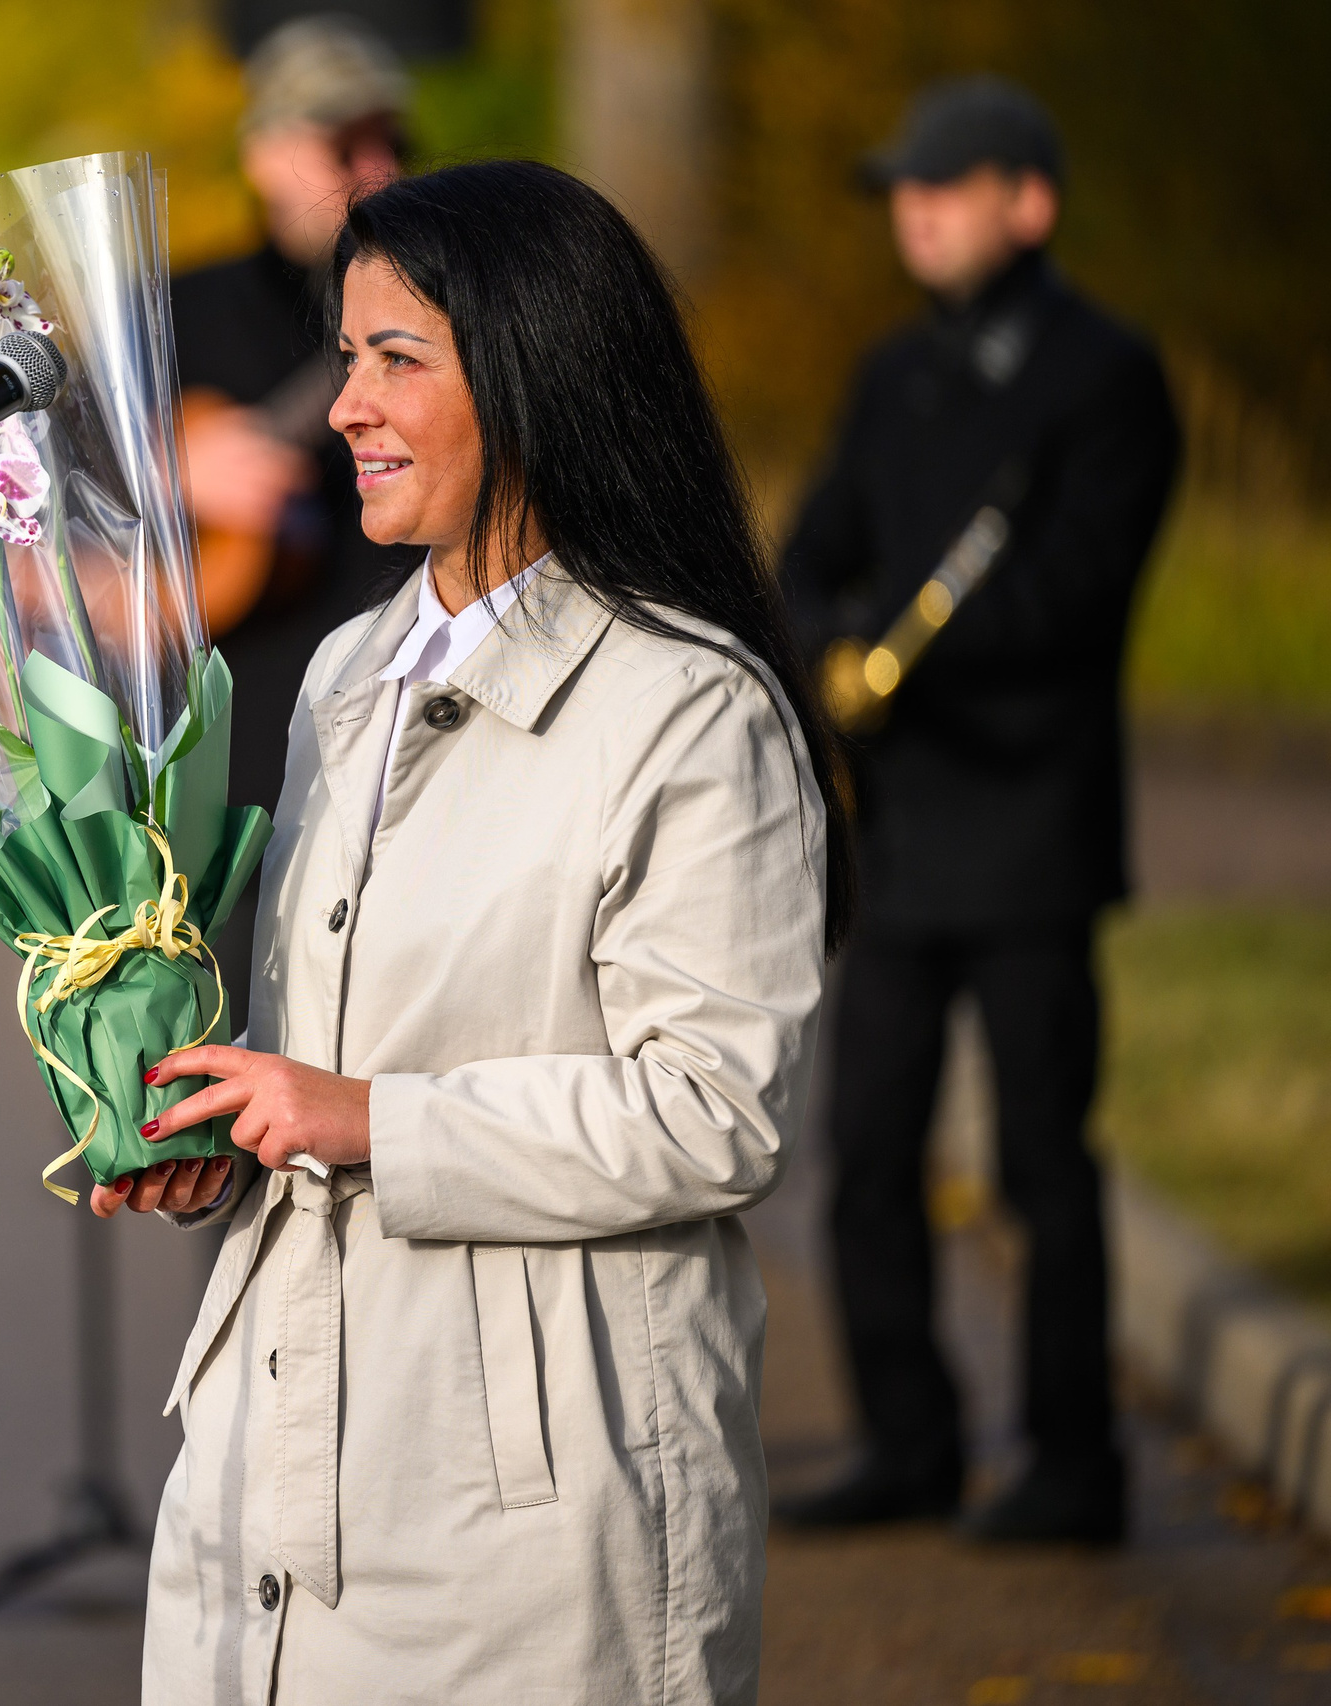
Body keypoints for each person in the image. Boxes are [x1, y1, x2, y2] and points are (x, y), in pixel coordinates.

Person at [100, 161, 848, 1704]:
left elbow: (714, 1110)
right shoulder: (342, 674)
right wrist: (235, 1123)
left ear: (533, 371)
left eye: (398, 359)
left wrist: (367, 1119)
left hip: (536, 1501)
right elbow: (337, 1048)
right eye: (347, 355)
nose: (347, 405)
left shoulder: (690, 708)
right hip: (281, 1450)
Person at [772, 78, 1180, 1547]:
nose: (916, 211)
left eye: (946, 187)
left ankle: (1077, 1465)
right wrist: (828, 645)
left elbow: (1075, 596)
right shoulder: (894, 374)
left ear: (1031, 202)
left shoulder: (1107, 377)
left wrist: (897, 654)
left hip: (1030, 832)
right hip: (897, 834)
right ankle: (910, 1442)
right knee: (867, 1154)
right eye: (905, 190)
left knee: (1036, 1163)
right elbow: (809, 545)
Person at [172, 15, 415, 1032]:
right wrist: (165, 468)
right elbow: (44, 521)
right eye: (339, 143)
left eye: (389, 140)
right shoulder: (180, 309)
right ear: (265, 153)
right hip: (237, 769)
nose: (376, 167)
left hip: (406, 749)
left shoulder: (443, 306)